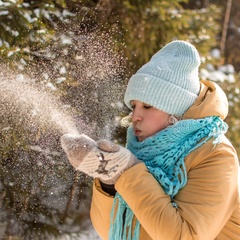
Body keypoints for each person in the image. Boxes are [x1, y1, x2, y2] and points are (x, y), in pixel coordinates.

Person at [61, 40, 240, 240]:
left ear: (175, 112)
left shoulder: (215, 154)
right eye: (133, 106)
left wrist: (126, 172)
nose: (135, 116)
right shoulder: (144, 152)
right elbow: (112, 233)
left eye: (147, 106)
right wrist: (109, 181)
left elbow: (184, 236)